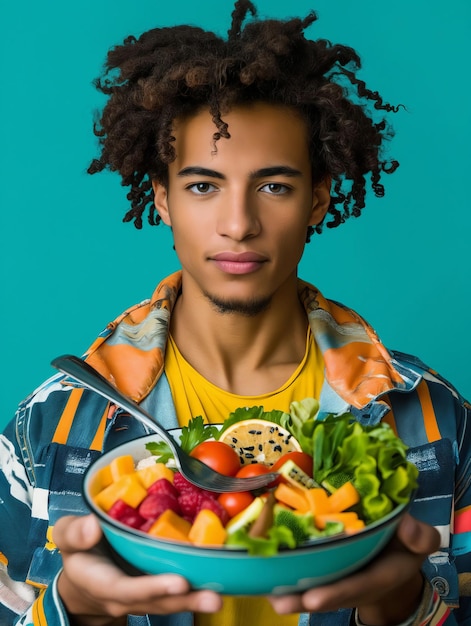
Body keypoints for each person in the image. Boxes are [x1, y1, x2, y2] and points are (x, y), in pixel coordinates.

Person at [0, 1, 469, 624]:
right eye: (203, 186)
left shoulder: (434, 423)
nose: (239, 224)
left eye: (274, 186)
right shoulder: (56, 423)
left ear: (318, 200)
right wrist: (78, 608)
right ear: (163, 200)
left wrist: (400, 604)